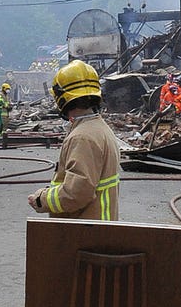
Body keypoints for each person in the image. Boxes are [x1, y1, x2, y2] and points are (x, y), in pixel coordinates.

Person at [27, 60, 120, 221]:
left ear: (62, 98)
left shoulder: (83, 137)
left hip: (85, 230)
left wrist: (43, 199)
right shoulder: (99, 128)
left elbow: (77, 193)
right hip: (99, 226)